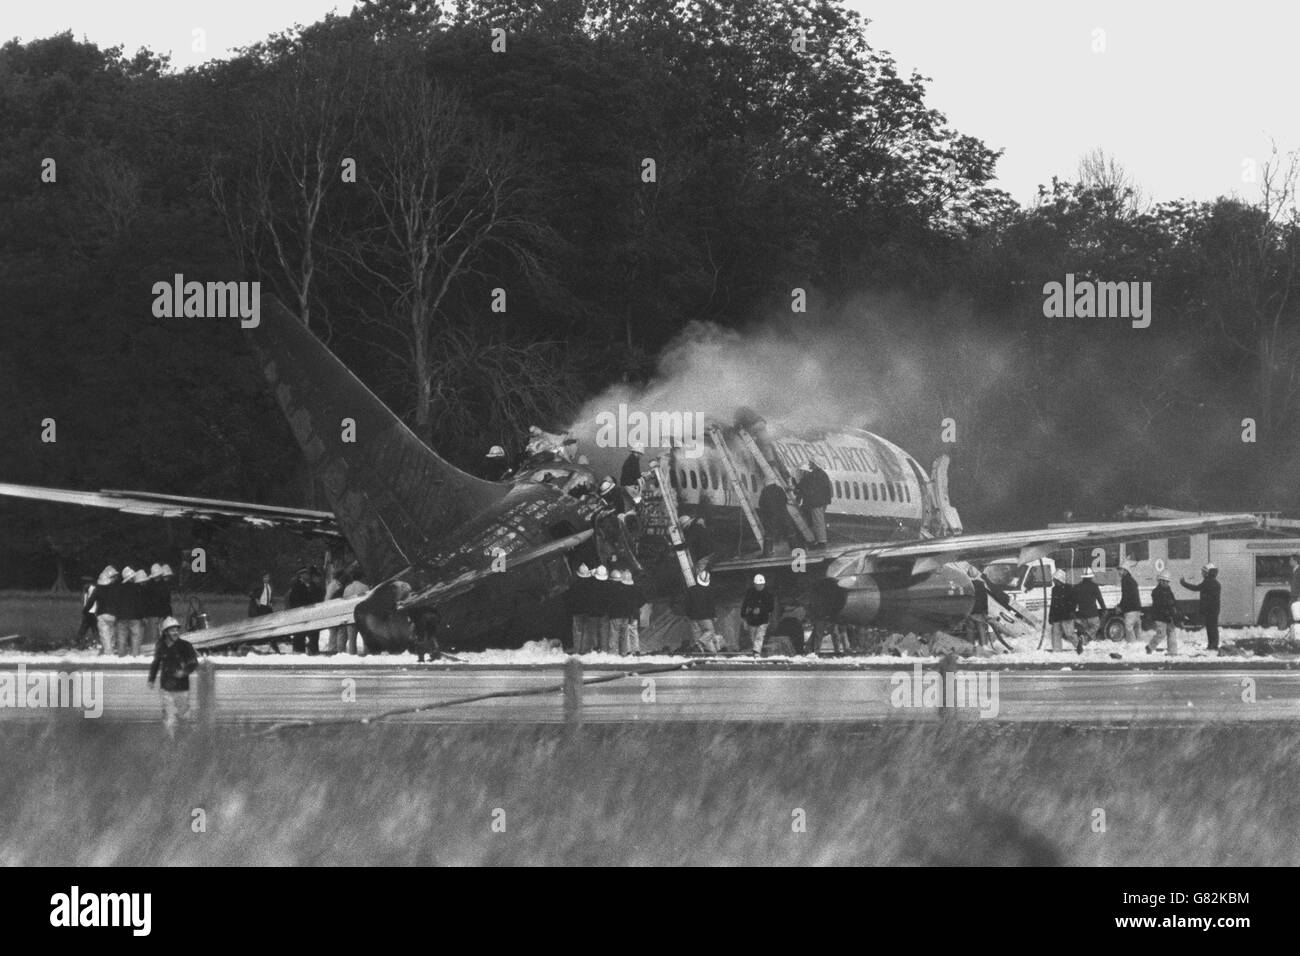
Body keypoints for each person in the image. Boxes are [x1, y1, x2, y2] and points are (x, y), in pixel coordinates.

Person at [147, 617, 198, 739]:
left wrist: (184, 672)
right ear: (165, 632)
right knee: (169, 717)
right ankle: (171, 742)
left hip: (181, 687)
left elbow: (193, 663)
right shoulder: (161, 646)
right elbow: (156, 662)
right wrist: (151, 679)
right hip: (166, 687)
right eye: (172, 630)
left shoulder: (186, 646)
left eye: (176, 630)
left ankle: (186, 738)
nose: (175, 633)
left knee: (184, 715)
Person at [1180, 563, 1222, 651]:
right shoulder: (1215, 582)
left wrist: (1184, 583)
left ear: (1207, 573)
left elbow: (1196, 588)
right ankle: (1213, 645)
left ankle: (1212, 646)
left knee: (1211, 628)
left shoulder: (1208, 582)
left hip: (1209, 610)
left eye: (1203, 572)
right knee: (1213, 628)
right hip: (1214, 609)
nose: (1202, 573)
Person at [964, 565, 1008, 648]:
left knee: (970, 631)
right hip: (980, 613)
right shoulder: (981, 584)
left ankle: (971, 648)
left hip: (969, 613)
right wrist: (985, 611)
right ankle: (984, 646)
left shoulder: (966, 586)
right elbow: (984, 599)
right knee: (982, 630)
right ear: (977, 574)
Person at [796, 459, 832, 547]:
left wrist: (796, 491)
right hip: (820, 502)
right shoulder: (823, 475)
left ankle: (821, 541)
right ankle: (818, 540)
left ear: (815, 464)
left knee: (817, 521)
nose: (809, 464)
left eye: (811, 463)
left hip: (816, 503)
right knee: (817, 521)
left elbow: (803, 485)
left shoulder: (814, 475)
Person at [685, 570, 721, 654]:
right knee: (710, 632)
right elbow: (711, 604)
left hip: (693, 616)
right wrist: (714, 615)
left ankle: (699, 653)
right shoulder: (709, 590)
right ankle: (699, 644)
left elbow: (687, 603)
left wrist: (688, 615)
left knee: (696, 634)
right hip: (705, 616)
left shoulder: (691, 589)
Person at [1072, 567, 1106, 653]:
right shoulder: (1094, 586)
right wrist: (1104, 608)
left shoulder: (1078, 586)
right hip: (1092, 613)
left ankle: (1086, 648)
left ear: (1083, 577)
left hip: (1082, 614)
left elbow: (1074, 600)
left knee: (1086, 630)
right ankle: (1085, 636)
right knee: (1095, 626)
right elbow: (1100, 599)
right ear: (1091, 577)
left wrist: (1073, 612)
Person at [88, 565, 120, 655]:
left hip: (102, 614)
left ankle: (108, 653)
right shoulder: (115, 589)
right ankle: (112, 650)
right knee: (112, 633)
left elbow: (91, 601)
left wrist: (86, 610)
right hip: (114, 614)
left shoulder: (98, 589)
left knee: (105, 635)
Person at [739, 574, 775, 654]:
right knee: (753, 637)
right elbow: (745, 604)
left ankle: (756, 652)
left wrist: (761, 610)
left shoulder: (768, 594)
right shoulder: (750, 592)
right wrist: (743, 615)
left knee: (760, 635)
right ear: (755, 584)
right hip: (752, 619)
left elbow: (771, 607)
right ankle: (755, 650)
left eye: (761, 585)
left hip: (763, 619)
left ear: (764, 584)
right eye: (758, 585)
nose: (760, 586)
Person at [116, 567, 148, 657]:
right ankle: (135, 655)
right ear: (131, 578)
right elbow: (140, 604)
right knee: (135, 637)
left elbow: (116, 603)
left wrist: (117, 615)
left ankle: (121, 655)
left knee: (122, 637)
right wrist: (143, 616)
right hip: (135, 617)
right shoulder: (137, 588)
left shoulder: (119, 588)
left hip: (122, 616)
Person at [1146, 572, 1179, 655]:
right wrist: (1168, 614)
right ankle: (1150, 647)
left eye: (1167, 581)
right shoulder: (1156, 592)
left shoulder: (1169, 590)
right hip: (1160, 617)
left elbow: (1173, 602)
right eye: (1163, 581)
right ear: (1160, 581)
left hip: (1168, 616)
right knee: (1161, 634)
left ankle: (1172, 652)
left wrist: (1174, 613)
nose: (1165, 583)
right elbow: (1160, 606)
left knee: (1172, 633)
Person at [758, 482, 794, 556]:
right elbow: (785, 500)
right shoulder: (780, 489)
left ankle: (767, 552)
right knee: (789, 531)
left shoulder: (765, 490)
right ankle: (795, 549)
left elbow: (761, 503)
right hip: (782, 513)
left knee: (768, 533)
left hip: (770, 514)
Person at [1047, 569, 1075, 652]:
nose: (1053, 581)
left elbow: (1073, 603)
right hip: (1056, 616)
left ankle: (1078, 645)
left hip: (1066, 616)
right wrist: (1050, 616)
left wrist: (1071, 612)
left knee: (1069, 634)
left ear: (1059, 580)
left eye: (1055, 579)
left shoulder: (1069, 589)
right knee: (1055, 634)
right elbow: (1053, 604)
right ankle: (1057, 650)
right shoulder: (1054, 589)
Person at [619, 571, 644, 655]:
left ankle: (628, 650)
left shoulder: (622, 590)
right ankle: (637, 650)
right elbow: (643, 601)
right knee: (634, 632)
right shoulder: (636, 589)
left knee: (626, 633)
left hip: (626, 614)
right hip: (635, 613)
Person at [1118, 560, 1143, 643]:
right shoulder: (1132, 580)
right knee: (1137, 628)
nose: (1119, 572)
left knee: (1129, 628)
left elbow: (1125, 596)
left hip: (1130, 610)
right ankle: (1140, 645)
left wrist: (1120, 606)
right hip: (1137, 608)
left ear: (1126, 571)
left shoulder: (1125, 580)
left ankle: (1133, 646)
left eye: (1121, 570)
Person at [591, 565, 613, 652]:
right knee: (604, 633)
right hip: (604, 612)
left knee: (594, 632)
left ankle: (595, 649)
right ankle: (604, 650)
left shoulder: (592, 585)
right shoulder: (608, 586)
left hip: (593, 612)